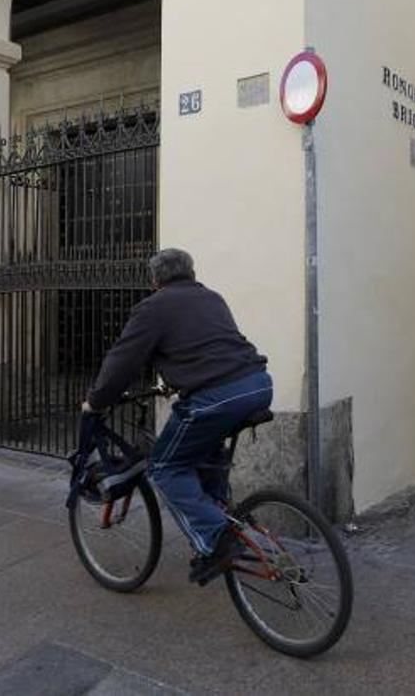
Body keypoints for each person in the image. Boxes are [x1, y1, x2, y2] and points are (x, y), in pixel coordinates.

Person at [81, 248, 272, 583]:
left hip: (215, 398)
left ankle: (216, 540)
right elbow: (211, 348)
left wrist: (96, 402)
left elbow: (121, 362)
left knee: (165, 467)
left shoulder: (153, 307)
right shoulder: (212, 298)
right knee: (204, 458)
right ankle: (221, 512)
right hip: (256, 385)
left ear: (155, 280)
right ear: (192, 273)